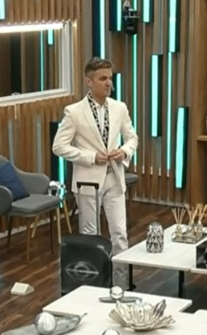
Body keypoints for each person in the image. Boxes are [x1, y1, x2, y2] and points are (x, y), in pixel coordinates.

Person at [52, 57, 139, 287]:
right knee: (90, 235)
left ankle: (122, 285)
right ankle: (93, 286)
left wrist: (124, 151)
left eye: (110, 78)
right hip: (88, 181)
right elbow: (58, 146)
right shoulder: (74, 112)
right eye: (103, 79)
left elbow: (133, 138)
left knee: (120, 234)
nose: (109, 83)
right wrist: (90, 157)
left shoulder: (120, 108)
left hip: (114, 178)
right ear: (89, 81)